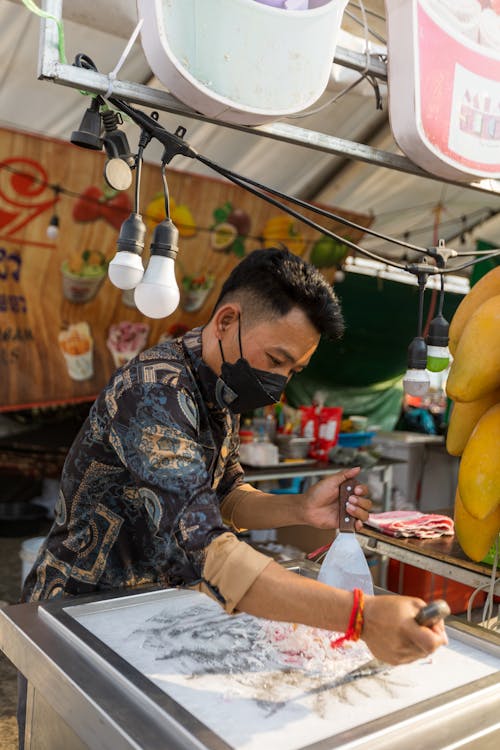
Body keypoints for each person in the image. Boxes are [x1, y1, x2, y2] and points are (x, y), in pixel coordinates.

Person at [20, 248, 446, 710]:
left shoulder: (219, 388)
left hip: (153, 610)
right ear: (226, 321)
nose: (279, 382)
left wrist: (299, 508)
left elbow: (225, 494)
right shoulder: (154, 394)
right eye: (276, 358)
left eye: (293, 370)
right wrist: (361, 616)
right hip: (82, 613)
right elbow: (208, 550)